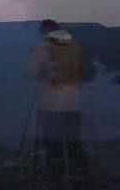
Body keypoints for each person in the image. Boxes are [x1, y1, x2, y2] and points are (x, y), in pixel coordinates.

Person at [28, 19, 87, 180]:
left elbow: (31, 74)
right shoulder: (75, 46)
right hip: (72, 104)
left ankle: (56, 176)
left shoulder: (43, 48)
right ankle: (80, 175)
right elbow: (79, 70)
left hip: (50, 106)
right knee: (74, 142)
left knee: (54, 143)